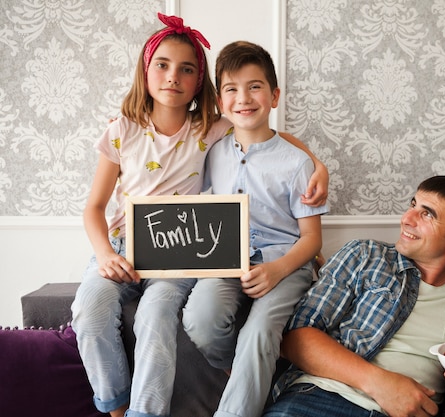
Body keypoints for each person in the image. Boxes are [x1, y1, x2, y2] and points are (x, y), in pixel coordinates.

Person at [71, 15, 327, 417]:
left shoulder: (209, 128)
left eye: (186, 69)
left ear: (198, 82)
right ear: (145, 69)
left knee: (156, 317)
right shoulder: (122, 129)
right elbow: (94, 207)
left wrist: (318, 165)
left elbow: (264, 135)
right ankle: (116, 406)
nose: (173, 77)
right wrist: (104, 254)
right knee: (89, 309)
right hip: (121, 248)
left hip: (179, 256)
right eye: (163, 65)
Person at [181, 41, 329, 417]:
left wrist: (278, 269)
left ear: (274, 95)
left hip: (286, 263)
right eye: (231, 89)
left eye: (255, 87)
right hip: (228, 258)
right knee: (201, 317)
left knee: (260, 332)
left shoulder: (297, 164)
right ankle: (244, 374)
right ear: (219, 98)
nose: (243, 98)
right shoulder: (213, 152)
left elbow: (312, 239)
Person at [262, 175, 445, 417]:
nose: (406, 219)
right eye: (413, 205)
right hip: (322, 400)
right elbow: (295, 338)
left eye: (427, 214)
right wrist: (380, 384)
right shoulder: (365, 256)